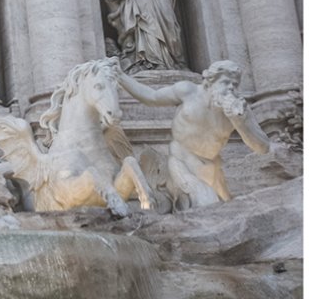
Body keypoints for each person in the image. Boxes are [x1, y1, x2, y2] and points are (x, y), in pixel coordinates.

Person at [116, 61, 272, 208]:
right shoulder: (188, 92)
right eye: (225, 82)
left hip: (212, 168)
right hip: (181, 161)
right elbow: (152, 96)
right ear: (210, 81)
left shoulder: (240, 109)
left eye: (235, 84)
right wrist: (121, 76)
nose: (231, 88)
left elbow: (263, 147)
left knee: (229, 208)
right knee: (206, 202)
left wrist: (239, 121)